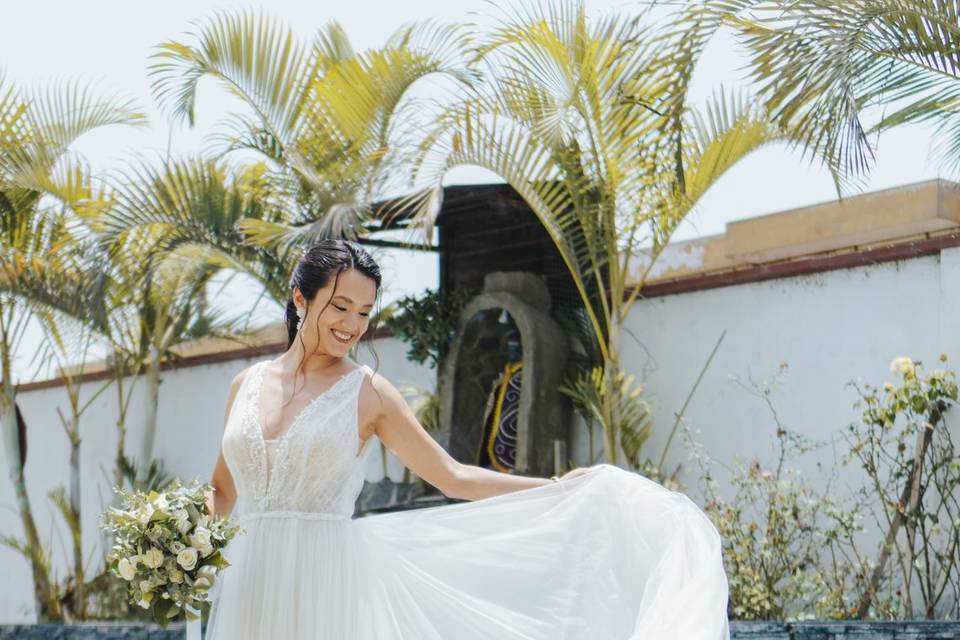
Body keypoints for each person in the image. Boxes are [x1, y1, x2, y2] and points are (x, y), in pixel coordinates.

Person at [201, 239, 730, 640]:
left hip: (326, 586)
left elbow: (452, 477)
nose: (352, 325)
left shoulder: (368, 394)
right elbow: (222, 492)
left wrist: (551, 487)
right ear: (300, 298)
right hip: (248, 583)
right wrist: (172, 538)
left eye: (364, 312)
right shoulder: (243, 386)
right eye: (339, 307)